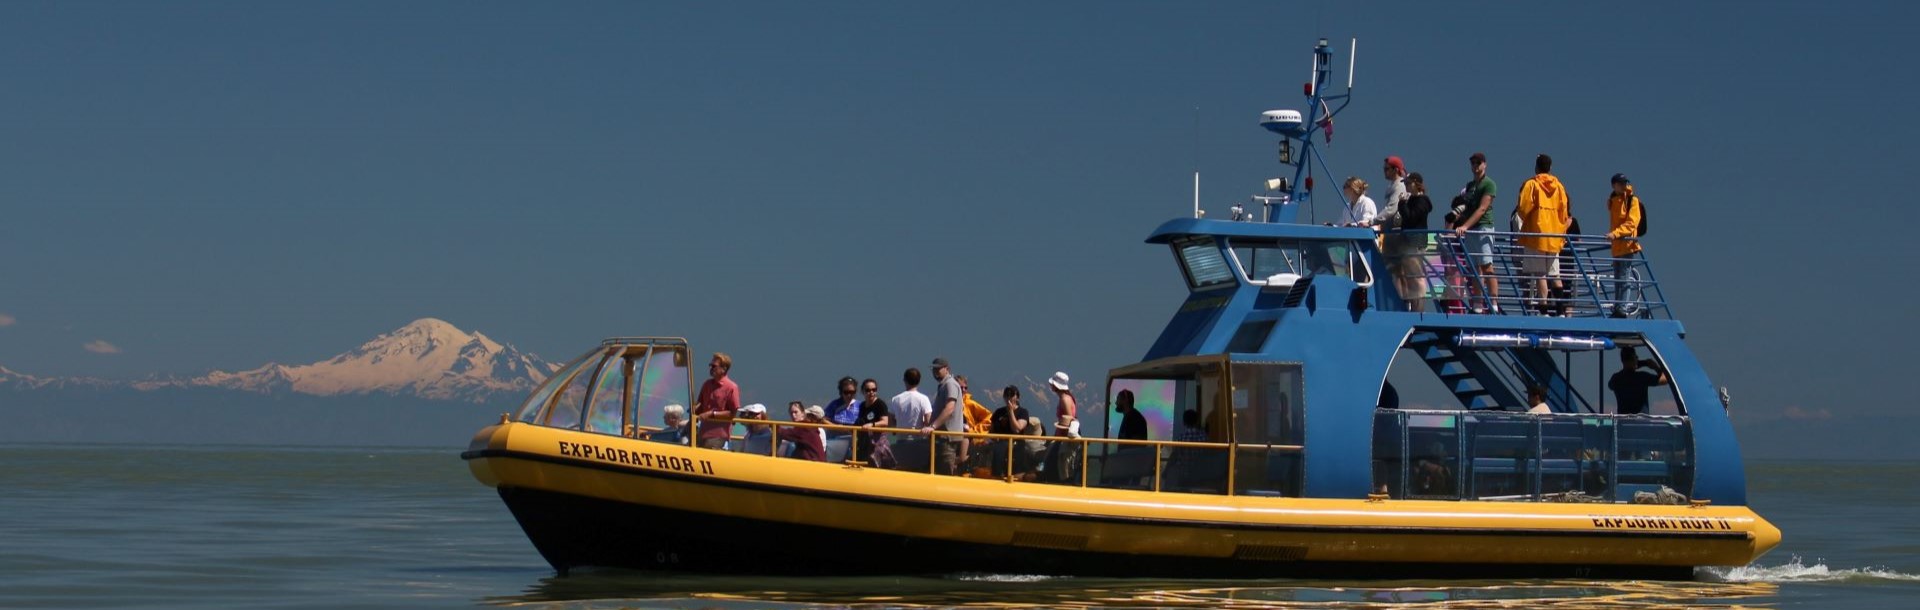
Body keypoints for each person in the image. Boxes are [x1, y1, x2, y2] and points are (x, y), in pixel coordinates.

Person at [1516, 154, 1572, 316]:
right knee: (1555, 274)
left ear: (1536, 167)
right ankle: (1561, 311)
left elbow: (1523, 208)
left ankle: (1544, 310)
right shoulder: (1559, 187)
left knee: (1540, 274)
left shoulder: (1532, 184)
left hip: (1537, 235)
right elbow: (1564, 212)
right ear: (1550, 168)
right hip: (1554, 236)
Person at [1451, 152, 1500, 312]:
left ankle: (1493, 303)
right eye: (1473, 163)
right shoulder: (1471, 186)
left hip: (1483, 227)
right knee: (1474, 267)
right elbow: (1468, 207)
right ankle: (1478, 303)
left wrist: (1464, 226)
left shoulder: (1489, 184)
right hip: (1471, 230)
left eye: (1478, 163)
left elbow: (1482, 208)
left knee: (1487, 265)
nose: (1475, 166)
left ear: (1484, 164)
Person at [1391, 172, 1434, 312]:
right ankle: (1411, 307)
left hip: (1416, 243)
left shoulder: (1422, 201)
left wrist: (1402, 204)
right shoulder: (1413, 200)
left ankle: (1418, 309)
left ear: (1417, 183)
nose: (1407, 186)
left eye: (1409, 183)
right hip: (1408, 243)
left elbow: (1411, 217)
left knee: (1416, 277)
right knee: (1408, 276)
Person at [1605, 173, 1646, 317]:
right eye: (1620, 183)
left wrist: (1615, 234)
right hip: (1617, 245)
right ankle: (1618, 307)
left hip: (1627, 244)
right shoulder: (1613, 201)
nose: (1624, 186)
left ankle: (1622, 307)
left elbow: (1631, 223)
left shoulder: (1632, 200)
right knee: (1618, 278)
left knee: (1624, 276)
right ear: (1614, 185)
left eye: (1625, 183)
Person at [922, 357, 967, 475]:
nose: (935, 372)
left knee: (945, 471)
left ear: (947, 369)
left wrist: (933, 426)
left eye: (938, 369)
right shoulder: (944, 385)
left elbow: (949, 408)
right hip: (942, 437)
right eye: (933, 369)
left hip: (947, 438)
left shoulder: (950, 384)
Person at [888, 367, 933, 470]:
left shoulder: (896, 399)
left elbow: (890, 422)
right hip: (919, 442)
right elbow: (928, 420)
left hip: (901, 441)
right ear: (919, 381)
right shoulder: (924, 399)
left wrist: (895, 429)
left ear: (904, 380)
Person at [693, 353, 740, 450]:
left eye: (714, 366)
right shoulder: (707, 384)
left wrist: (712, 414)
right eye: (710, 365)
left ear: (724, 369)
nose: (711, 368)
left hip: (718, 435)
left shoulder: (731, 387)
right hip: (702, 432)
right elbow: (700, 406)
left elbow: (732, 413)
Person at [1608, 347, 1671, 415]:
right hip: (1641, 422)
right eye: (1636, 357)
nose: (1637, 359)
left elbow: (1610, 386)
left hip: (1623, 421)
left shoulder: (1616, 378)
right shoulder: (1642, 377)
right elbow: (1666, 379)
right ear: (1632, 360)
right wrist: (1655, 367)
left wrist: (1635, 365)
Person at [989, 385, 1031, 478]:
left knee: (1015, 474)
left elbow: (1017, 429)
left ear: (1017, 397)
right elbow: (991, 431)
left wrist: (1011, 411)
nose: (1009, 397)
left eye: (1011, 394)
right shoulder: (998, 412)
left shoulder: (1023, 412)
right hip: (999, 448)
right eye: (1006, 394)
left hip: (1016, 449)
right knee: (997, 474)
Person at [853, 378, 894, 466]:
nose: (871, 392)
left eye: (874, 390)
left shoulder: (880, 404)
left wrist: (872, 424)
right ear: (863, 392)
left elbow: (885, 422)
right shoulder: (862, 406)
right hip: (864, 441)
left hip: (877, 442)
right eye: (868, 390)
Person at [1047, 372, 1078, 437]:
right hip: (1061, 433)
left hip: (1064, 435)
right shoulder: (1065, 398)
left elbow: (1068, 419)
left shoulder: (1065, 399)